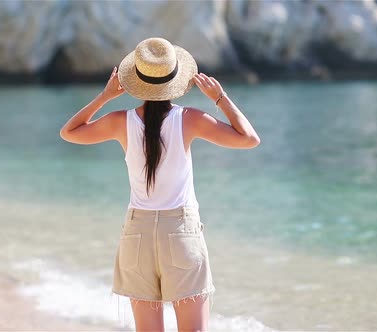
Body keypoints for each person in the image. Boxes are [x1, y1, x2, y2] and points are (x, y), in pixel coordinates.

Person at [59, 37, 260, 332]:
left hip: (136, 234)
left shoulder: (120, 121)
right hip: (179, 232)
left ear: (136, 80)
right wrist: (220, 98)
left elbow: (69, 132)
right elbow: (249, 139)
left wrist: (105, 96)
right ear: (174, 79)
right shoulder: (190, 119)